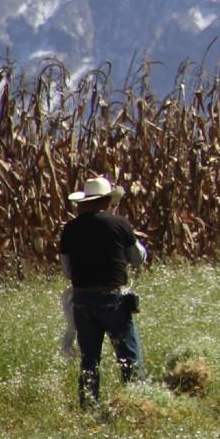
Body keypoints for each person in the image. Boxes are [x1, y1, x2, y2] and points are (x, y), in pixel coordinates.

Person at [57, 174, 148, 408]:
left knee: (89, 360)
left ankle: (88, 406)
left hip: (82, 301)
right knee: (129, 357)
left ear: (84, 203)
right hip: (113, 299)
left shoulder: (70, 229)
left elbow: (67, 270)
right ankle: (136, 404)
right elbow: (137, 259)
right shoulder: (119, 224)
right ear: (106, 201)